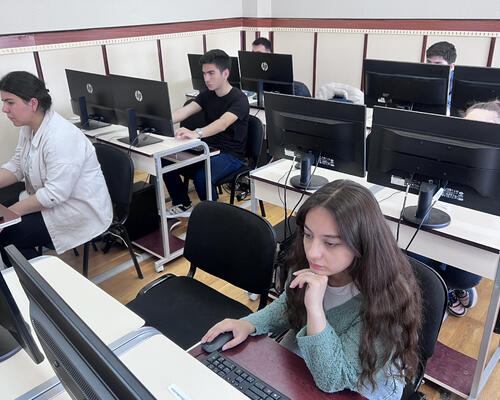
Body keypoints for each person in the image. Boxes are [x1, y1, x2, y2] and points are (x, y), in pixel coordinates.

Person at [202, 180, 422, 399]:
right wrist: (249, 323)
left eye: (331, 243)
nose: (312, 253)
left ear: (362, 242)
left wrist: (315, 308)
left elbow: (334, 378)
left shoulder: (389, 299)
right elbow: (288, 305)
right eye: (308, 235)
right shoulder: (310, 263)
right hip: (314, 354)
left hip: (364, 380)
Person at [0, 71, 112, 266]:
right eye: (3, 102)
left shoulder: (60, 137)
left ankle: (38, 284)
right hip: (47, 199)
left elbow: (54, 195)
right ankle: (20, 277)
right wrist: (9, 214)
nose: (4, 109)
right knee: (6, 222)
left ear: (33, 103)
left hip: (76, 211)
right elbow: (17, 166)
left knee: (8, 236)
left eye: (10, 102)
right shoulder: (28, 127)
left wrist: (10, 214)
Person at [163, 49, 249, 218]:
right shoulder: (207, 95)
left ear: (225, 73)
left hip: (231, 155)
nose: (206, 78)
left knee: (202, 177)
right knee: (166, 161)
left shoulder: (239, 99)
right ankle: (183, 203)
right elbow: (185, 111)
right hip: (208, 149)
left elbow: (223, 123)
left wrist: (197, 133)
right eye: (204, 74)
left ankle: (213, 218)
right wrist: (159, 121)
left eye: (211, 73)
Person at [426, 41, 457, 107]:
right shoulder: (421, 76)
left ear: (452, 67)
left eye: (438, 64)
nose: (431, 68)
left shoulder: (457, 85)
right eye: (428, 62)